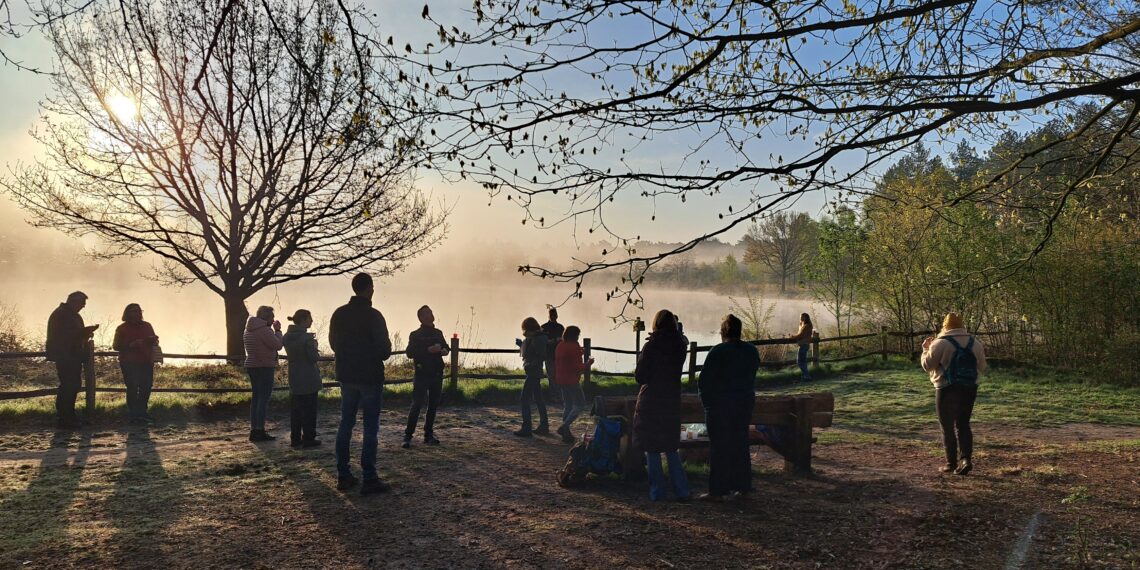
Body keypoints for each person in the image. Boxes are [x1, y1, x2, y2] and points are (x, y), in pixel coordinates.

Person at [329, 273, 393, 495]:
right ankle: (369, 476)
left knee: (346, 423)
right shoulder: (374, 316)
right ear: (370, 289)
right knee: (370, 427)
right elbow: (384, 350)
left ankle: (343, 474)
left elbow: (333, 344)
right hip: (370, 377)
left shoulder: (339, 314)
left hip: (346, 376)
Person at [698, 314, 761, 501]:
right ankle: (743, 487)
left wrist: (707, 403)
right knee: (740, 444)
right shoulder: (751, 351)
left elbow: (705, 381)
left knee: (719, 447)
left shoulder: (718, 351)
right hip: (743, 403)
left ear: (723, 331)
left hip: (720, 406)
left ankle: (718, 490)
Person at [633, 309, 691, 502]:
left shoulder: (652, 346)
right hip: (671, 398)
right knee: (671, 446)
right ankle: (682, 490)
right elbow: (682, 342)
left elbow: (640, 376)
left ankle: (657, 491)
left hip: (652, 399)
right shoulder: (680, 345)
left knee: (652, 447)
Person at [921, 312, 987, 476]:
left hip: (946, 387)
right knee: (963, 424)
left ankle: (951, 463)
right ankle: (966, 460)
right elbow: (982, 367)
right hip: (970, 387)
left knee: (947, 426)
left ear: (945, 326)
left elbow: (928, 366)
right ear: (961, 325)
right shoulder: (975, 343)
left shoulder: (940, 343)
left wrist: (925, 350)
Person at [46, 291, 98, 429]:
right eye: (82, 303)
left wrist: (85, 333)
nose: (83, 306)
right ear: (74, 302)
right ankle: (65, 418)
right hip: (66, 355)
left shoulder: (67, 314)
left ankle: (68, 416)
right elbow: (64, 336)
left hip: (71, 354)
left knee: (72, 385)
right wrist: (84, 332)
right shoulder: (63, 314)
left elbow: (72, 335)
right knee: (69, 386)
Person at [403, 305, 449, 448]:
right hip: (422, 374)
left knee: (433, 405)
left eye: (431, 312)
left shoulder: (438, 333)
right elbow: (409, 352)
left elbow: (446, 347)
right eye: (427, 313)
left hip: (437, 373)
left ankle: (428, 434)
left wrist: (444, 351)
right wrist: (427, 350)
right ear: (421, 317)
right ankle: (408, 436)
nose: (431, 315)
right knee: (417, 404)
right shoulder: (415, 334)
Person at [112, 303, 158, 424]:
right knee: (132, 387)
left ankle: (142, 412)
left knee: (146, 387)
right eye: (132, 311)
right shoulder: (121, 328)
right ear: (127, 313)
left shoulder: (147, 326)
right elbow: (116, 346)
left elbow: (154, 341)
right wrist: (131, 345)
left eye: (137, 311)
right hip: (128, 362)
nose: (135, 313)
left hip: (146, 361)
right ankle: (133, 415)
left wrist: (153, 340)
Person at [282, 309, 322, 449]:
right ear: (303, 320)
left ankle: (295, 438)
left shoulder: (286, 336)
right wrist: (315, 346)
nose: (311, 321)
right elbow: (313, 358)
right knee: (310, 410)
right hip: (309, 377)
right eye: (310, 318)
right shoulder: (306, 338)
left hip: (294, 375)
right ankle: (309, 438)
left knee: (296, 410)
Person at [244, 305, 283, 442]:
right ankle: (260, 430)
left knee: (256, 399)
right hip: (264, 366)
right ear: (266, 317)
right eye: (272, 316)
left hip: (252, 366)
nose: (273, 319)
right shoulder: (264, 330)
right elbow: (278, 345)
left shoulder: (249, 329)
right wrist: (277, 331)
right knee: (263, 399)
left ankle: (254, 429)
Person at [554, 325, 593, 444]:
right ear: (575, 335)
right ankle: (564, 426)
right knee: (580, 404)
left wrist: (581, 351)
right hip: (571, 380)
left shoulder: (561, 345)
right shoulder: (574, 347)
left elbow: (568, 358)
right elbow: (577, 366)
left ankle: (566, 433)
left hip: (560, 378)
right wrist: (588, 363)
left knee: (568, 405)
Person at [514, 317, 549, 437]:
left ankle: (527, 427)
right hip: (535, 372)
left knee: (524, 399)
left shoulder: (537, 339)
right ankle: (544, 426)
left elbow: (540, 356)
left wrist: (530, 365)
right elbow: (532, 352)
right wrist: (521, 345)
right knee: (539, 399)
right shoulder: (537, 338)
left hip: (533, 372)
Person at [541, 307, 565, 402]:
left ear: (557, 315)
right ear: (549, 315)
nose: (553, 317)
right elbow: (543, 342)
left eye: (555, 315)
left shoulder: (561, 327)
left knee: (559, 376)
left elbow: (564, 340)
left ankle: (559, 395)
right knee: (551, 377)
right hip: (549, 355)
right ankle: (554, 396)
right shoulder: (544, 327)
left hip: (560, 356)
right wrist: (555, 340)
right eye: (552, 315)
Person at [788, 313, 814, 381]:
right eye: (800, 317)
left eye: (802, 317)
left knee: (799, 362)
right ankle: (805, 377)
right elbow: (800, 334)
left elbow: (800, 335)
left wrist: (792, 337)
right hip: (804, 345)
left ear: (806, 318)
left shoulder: (806, 326)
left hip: (803, 345)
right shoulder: (805, 325)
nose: (801, 318)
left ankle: (807, 376)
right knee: (803, 362)